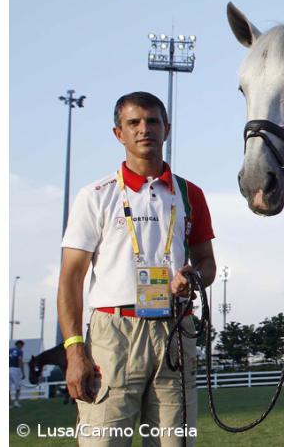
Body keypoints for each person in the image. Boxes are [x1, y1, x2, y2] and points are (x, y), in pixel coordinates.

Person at [58, 91, 216, 445]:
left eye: (153, 121)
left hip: (175, 330)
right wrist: (74, 350)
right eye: (133, 122)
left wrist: (194, 277)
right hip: (114, 334)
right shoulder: (96, 195)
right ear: (119, 134)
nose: (144, 129)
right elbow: (70, 280)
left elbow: (207, 265)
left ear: (167, 129)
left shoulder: (191, 194)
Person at [9, 340, 25, 408]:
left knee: (8, 388)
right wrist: (22, 372)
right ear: (20, 345)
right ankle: (16, 402)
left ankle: (9, 404)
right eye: (22, 345)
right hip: (15, 369)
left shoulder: (9, 350)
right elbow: (20, 361)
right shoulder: (19, 351)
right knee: (18, 387)